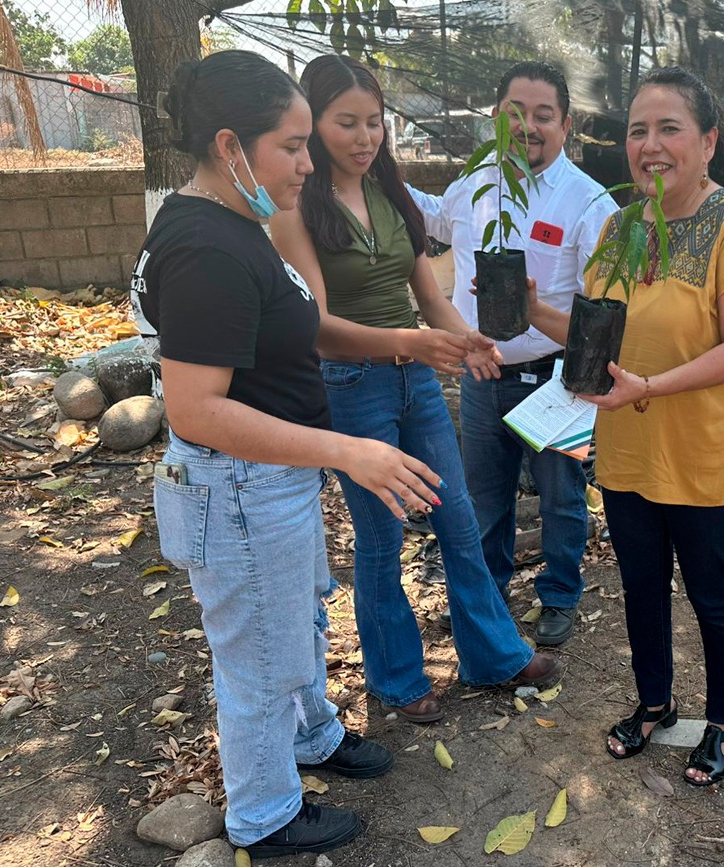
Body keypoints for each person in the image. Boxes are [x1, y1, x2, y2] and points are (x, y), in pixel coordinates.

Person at [134, 51, 444, 857]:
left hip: (275, 474)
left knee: (296, 617)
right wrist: (349, 447)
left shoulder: (240, 220)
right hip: (239, 482)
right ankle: (265, 813)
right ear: (231, 146)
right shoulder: (207, 248)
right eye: (293, 146)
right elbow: (200, 410)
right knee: (256, 654)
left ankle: (313, 735)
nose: (309, 163)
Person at [268, 54, 564, 724]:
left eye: (374, 122)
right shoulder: (297, 209)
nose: (365, 137)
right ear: (314, 125)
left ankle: (493, 656)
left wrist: (467, 340)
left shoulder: (391, 194)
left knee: (458, 517)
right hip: (351, 385)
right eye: (347, 123)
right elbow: (314, 326)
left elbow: (428, 293)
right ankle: (397, 679)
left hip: (416, 383)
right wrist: (412, 343)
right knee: (382, 535)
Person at [524, 66, 724, 786]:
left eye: (668, 127)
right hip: (628, 446)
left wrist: (648, 387)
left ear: (707, 141)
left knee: (711, 592)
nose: (649, 144)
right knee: (641, 583)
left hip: (703, 452)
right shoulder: (621, 227)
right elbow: (591, 333)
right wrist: (523, 308)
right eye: (638, 130)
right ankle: (653, 703)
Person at [406, 61, 618, 645]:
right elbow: (431, 218)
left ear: (566, 124)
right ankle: (487, 595)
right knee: (485, 493)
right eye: (514, 114)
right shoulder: (476, 184)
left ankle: (558, 595)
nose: (528, 126)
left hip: (556, 377)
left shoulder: (589, 203)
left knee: (560, 495)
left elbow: (602, 313)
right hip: (482, 370)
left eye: (543, 116)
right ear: (495, 119)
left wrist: (583, 376)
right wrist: (376, 174)